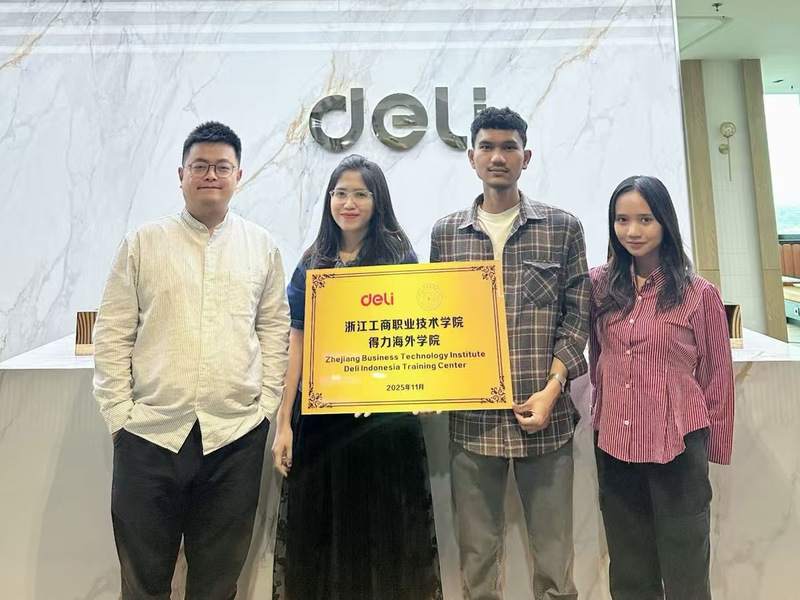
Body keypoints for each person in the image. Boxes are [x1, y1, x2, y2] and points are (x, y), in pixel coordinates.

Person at [93, 121, 290, 600]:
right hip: (149, 434)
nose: (211, 175)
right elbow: (113, 333)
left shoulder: (261, 247)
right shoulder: (143, 243)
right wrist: (119, 417)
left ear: (238, 175)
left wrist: (264, 409)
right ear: (181, 174)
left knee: (218, 583)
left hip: (235, 436)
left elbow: (274, 332)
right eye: (200, 166)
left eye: (222, 166)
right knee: (142, 583)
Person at [430, 107, 589, 600]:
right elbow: (437, 323)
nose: (497, 157)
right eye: (487, 147)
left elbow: (577, 317)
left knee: (555, 563)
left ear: (526, 156)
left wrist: (552, 389)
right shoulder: (446, 234)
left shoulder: (562, 227)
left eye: (508, 147)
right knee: (477, 563)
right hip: (472, 424)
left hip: (546, 418)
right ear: (471, 157)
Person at [270, 154, 443, 600]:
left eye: (360, 194)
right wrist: (284, 422)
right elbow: (297, 343)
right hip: (321, 421)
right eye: (340, 193)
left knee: (384, 537)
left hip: (384, 423)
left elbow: (417, 334)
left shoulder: (399, 259)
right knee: (322, 536)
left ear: (377, 200)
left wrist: (417, 387)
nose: (349, 203)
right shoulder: (313, 263)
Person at [589, 175, 735, 599]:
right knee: (629, 569)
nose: (632, 231)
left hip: (677, 444)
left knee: (686, 568)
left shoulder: (698, 294)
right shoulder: (599, 286)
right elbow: (598, 358)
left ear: (665, 222)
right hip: (615, 443)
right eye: (622, 220)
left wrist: (713, 450)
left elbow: (717, 376)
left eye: (645, 219)